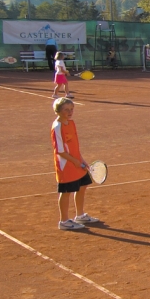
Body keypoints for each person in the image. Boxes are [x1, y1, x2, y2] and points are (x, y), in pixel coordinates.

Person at [51, 97, 102, 230]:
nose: (70, 112)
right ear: (58, 111)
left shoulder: (71, 123)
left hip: (76, 161)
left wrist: (82, 160)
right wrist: (76, 162)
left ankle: (80, 215)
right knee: (66, 192)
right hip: (66, 165)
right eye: (66, 109)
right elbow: (60, 151)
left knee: (83, 186)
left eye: (71, 109)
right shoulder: (57, 127)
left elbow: (74, 146)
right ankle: (64, 221)